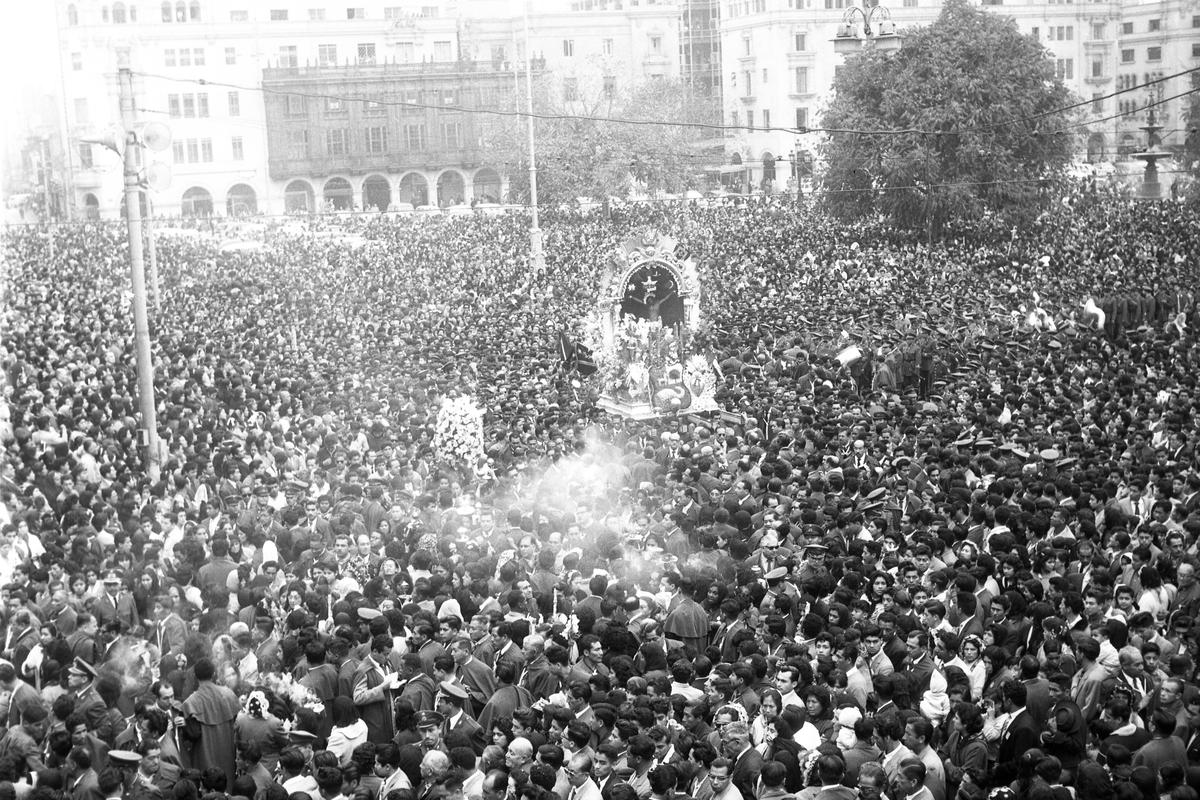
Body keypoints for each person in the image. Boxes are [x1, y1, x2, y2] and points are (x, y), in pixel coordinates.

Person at [180, 658, 239, 780]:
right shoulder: (229, 694)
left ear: (195, 676)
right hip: (228, 757)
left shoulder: (190, 703)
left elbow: (189, 737)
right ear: (213, 674)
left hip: (203, 761)